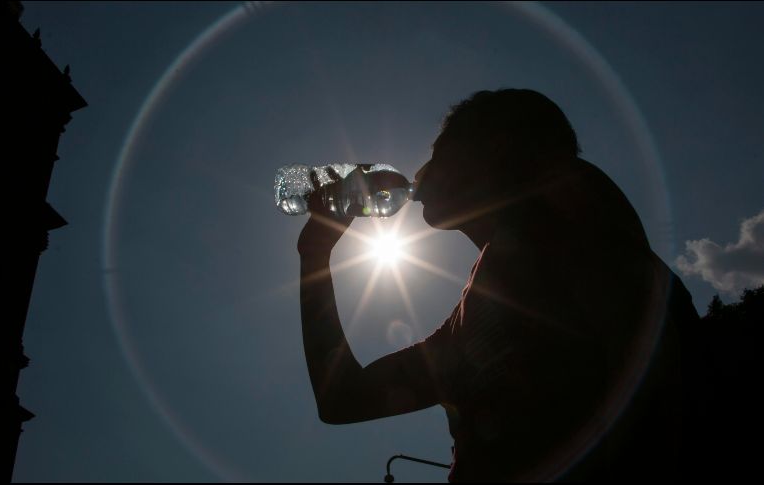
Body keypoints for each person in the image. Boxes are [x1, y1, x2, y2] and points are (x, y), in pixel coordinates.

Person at [296, 89, 699, 482]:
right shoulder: (461, 333)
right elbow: (343, 399)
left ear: (496, 149)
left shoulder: (583, 227)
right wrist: (315, 256)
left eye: (438, 156)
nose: (421, 174)